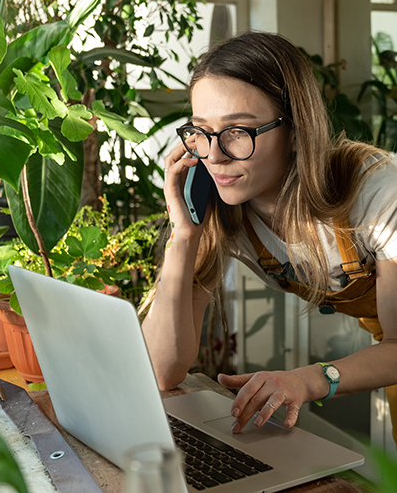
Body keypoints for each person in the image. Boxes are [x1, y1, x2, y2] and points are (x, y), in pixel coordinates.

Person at [140, 31, 397, 446]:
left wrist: (311, 379)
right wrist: (184, 235)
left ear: (296, 131)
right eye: (201, 130)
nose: (214, 154)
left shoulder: (376, 191)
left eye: (238, 130)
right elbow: (162, 370)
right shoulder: (219, 207)